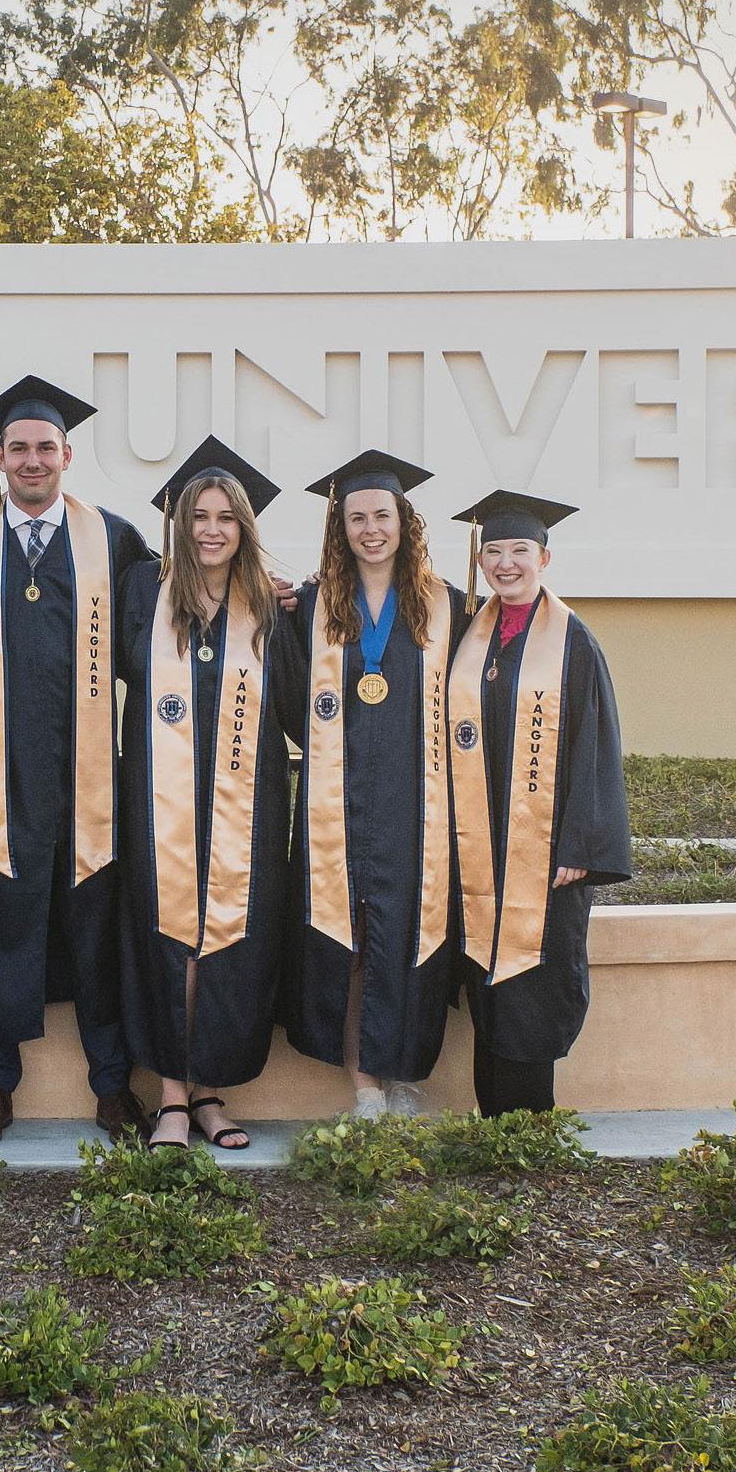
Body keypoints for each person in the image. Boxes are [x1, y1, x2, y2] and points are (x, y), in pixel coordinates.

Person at [0, 375, 153, 1143]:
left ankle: (113, 1087)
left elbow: (176, 613)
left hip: (88, 782)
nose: (31, 460)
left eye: (44, 448)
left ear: (66, 455)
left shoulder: (113, 540)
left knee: (97, 934)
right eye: (17, 447)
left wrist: (266, 597)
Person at [274, 450, 467, 1119]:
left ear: (403, 521)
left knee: (410, 942)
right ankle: (364, 1088)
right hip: (340, 805)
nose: (370, 529)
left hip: (418, 809)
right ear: (340, 527)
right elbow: (287, 698)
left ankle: (402, 1075)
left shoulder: (448, 607)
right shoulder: (311, 606)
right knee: (349, 943)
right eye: (356, 518)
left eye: (382, 515)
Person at [117, 438, 289, 1151]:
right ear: (180, 524)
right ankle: (171, 1097)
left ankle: (211, 1091)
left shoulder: (272, 605)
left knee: (230, 938)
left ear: (243, 527)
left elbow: (299, 701)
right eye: (199, 517)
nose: (211, 530)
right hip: (158, 797)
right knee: (167, 937)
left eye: (225, 517)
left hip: (248, 801)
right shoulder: (142, 590)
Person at [448, 490, 632, 1116]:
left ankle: (528, 1126)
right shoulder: (470, 637)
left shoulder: (573, 641)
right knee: (489, 978)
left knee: (532, 982)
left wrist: (580, 844)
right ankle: (494, 1125)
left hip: (547, 849)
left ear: (544, 559)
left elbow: (594, 744)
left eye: (519, 550)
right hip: (480, 842)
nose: (505, 563)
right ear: (480, 561)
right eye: (493, 551)